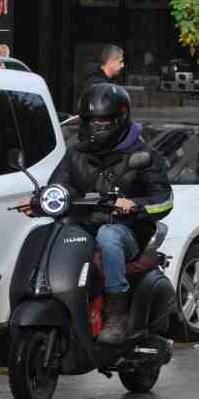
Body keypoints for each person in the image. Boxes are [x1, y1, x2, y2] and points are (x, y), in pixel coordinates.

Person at [38, 83, 174, 343]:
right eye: (91, 120)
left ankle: (117, 314)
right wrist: (44, 198)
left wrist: (136, 206)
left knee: (108, 236)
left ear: (119, 119)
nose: (96, 126)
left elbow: (164, 200)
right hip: (84, 225)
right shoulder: (76, 153)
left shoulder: (143, 154)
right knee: (48, 233)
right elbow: (60, 183)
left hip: (129, 231)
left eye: (103, 120)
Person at [77, 44, 126, 109]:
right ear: (111, 61)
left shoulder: (110, 81)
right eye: (120, 62)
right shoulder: (96, 85)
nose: (123, 65)